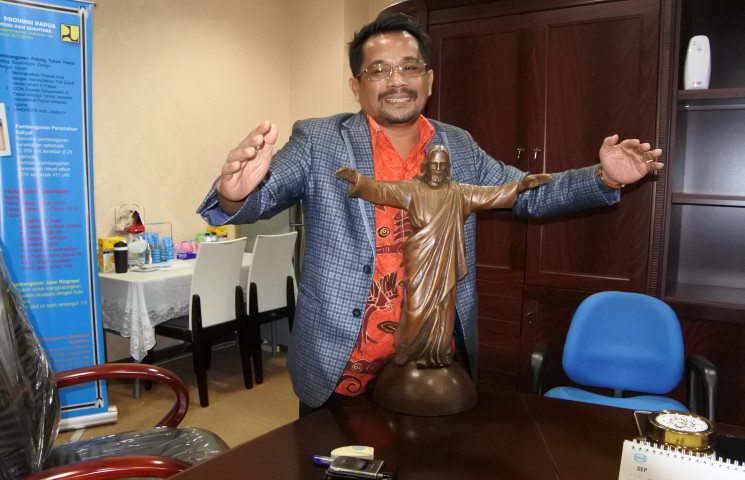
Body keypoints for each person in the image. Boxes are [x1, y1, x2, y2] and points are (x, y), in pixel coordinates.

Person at [197, 13, 663, 415]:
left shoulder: (458, 144)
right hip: (340, 362)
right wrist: (234, 195)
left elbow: (525, 193)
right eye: (379, 70)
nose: (396, 81)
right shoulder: (319, 140)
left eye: (409, 67)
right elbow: (265, 194)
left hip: (436, 360)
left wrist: (604, 178)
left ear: (429, 79)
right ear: (357, 86)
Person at [335, 146, 551, 368]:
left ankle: (437, 353)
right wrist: (358, 180)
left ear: (447, 168)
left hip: (446, 261)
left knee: (443, 307)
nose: (438, 169)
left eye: (442, 165)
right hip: (420, 258)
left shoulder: (459, 193)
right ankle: (409, 350)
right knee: (415, 307)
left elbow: (491, 195)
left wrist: (519, 186)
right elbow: (382, 190)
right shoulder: (412, 189)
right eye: (434, 165)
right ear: (427, 166)